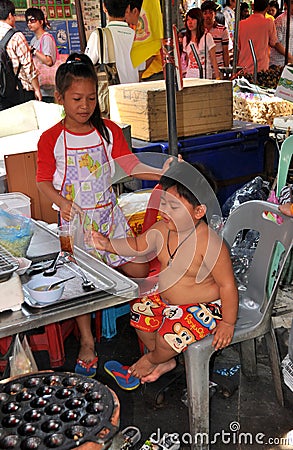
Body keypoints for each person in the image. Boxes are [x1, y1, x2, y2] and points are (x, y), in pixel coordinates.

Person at [36, 53, 176, 377]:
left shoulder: (108, 131)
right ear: (59, 98)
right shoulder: (51, 140)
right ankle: (87, 340)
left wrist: (162, 171)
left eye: (89, 99)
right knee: (81, 283)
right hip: (76, 224)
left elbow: (130, 167)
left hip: (110, 218)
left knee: (139, 267)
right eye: (76, 99)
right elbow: (42, 181)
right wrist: (62, 202)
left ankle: (140, 322)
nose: (84, 106)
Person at [86, 162, 239, 382]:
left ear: (199, 211)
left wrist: (228, 323)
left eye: (174, 207)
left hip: (204, 307)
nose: (165, 210)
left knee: (168, 339)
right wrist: (107, 244)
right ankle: (164, 359)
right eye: (164, 203)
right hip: (167, 298)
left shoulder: (210, 244)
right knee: (139, 311)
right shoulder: (162, 229)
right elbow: (137, 244)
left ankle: (153, 359)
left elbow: (227, 286)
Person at [85, 0, 144, 84]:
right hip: (134, 93)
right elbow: (141, 69)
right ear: (128, 9)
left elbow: (86, 66)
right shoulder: (137, 36)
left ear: (104, 7)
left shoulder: (99, 35)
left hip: (112, 94)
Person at [0, 0, 41, 110]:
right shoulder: (16, 36)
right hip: (19, 91)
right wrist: (36, 89)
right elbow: (29, 67)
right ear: (10, 16)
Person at [238, 0, 293, 74]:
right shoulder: (269, 23)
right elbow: (274, 43)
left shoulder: (241, 24)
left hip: (243, 66)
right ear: (267, 8)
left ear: (252, 6)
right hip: (261, 67)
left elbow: (238, 47)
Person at [25, 7, 57, 103]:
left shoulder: (46, 38)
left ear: (41, 22)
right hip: (39, 85)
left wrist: (34, 51)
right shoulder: (34, 40)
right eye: (28, 21)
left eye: (32, 20)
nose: (29, 23)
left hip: (49, 88)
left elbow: (49, 61)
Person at [183, 8, 220, 80]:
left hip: (204, 75)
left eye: (193, 19)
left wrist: (217, 77)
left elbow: (213, 59)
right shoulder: (185, 39)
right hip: (190, 76)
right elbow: (187, 59)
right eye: (188, 20)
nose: (190, 22)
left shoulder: (207, 37)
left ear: (199, 20)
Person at [201, 0, 230, 74]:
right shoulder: (199, 31)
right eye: (205, 13)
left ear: (215, 13)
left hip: (219, 69)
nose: (208, 16)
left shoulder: (223, 30)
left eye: (210, 12)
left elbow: (225, 52)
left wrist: (226, 70)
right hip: (204, 70)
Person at [270, 0, 293, 67]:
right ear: (286, 5)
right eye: (292, 2)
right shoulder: (280, 20)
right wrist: (290, 57)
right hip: (279, 64)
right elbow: (276, 43)